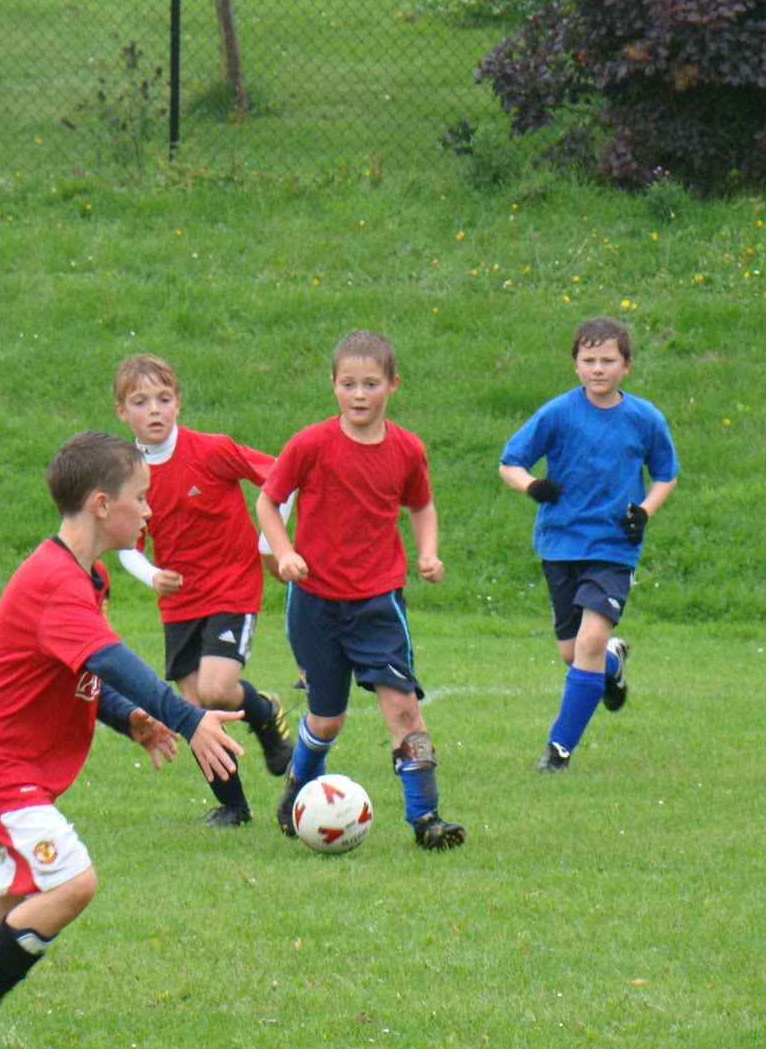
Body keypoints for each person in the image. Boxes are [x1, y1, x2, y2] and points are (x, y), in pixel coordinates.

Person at [0, 430, 244, 1049]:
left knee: (8, 910)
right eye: (141, 497)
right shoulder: (54, 581)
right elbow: (113, 660)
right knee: (73, 883)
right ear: (101, 505)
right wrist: (187, 715)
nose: (150, 511)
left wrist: (130, 719)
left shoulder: (87, 576)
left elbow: (81, 671)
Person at [257, 330, 466, 850]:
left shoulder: (407, 448)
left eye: (371, 383)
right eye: (348, 383)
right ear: (333, 384)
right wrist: (284, 552)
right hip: (315, 602)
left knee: (403, 707)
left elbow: (421, 505)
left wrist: (428, 552)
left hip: (378, 601)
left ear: (393, 384)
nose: (358, 394)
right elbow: (268, 501)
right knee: (327, 718)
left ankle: (426, 818)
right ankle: (298, 790)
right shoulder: (310, 444)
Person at [112, 353, 292, 828]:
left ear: (178, 403)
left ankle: (264, 713)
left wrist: (268, 546)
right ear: (121, 412)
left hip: (232, 585)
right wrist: (151, 575)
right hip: (180, 602)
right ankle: (234, 806)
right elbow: (127, 546)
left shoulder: (211, 450)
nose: (154, 410)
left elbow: (283, 480)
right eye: (140, 401)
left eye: (163, 398)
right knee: (193, 710)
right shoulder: (127, 475)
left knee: (216, 688)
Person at [497, 315, 678, 773]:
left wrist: (645, 511)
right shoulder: (558, 413)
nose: (599, 369)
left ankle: (558, 751)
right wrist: (533, 486)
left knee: (590, 638)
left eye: (609, 360)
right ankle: (611, 664)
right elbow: (509, 463)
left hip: (614, 547)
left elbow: (666, 474)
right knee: (574, 652)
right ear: (575, 365)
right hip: (560, 545)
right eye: (589, 360)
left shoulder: (645, 418)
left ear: (627, 365)